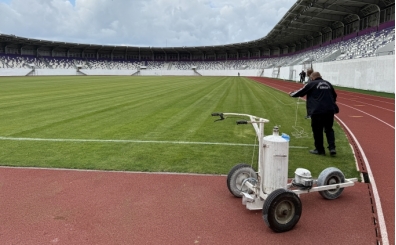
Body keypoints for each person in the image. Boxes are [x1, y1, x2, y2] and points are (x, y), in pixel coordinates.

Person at [289, 72, 338, 156]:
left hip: (317, 111)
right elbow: (334, 96)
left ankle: (320, 150)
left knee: (317, 130)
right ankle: (332, 148)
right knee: (329, 129)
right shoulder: (328, 84)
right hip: (330, 110)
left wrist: (291, 94)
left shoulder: (312, 84)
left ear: (312, 78)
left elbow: (301, 92)